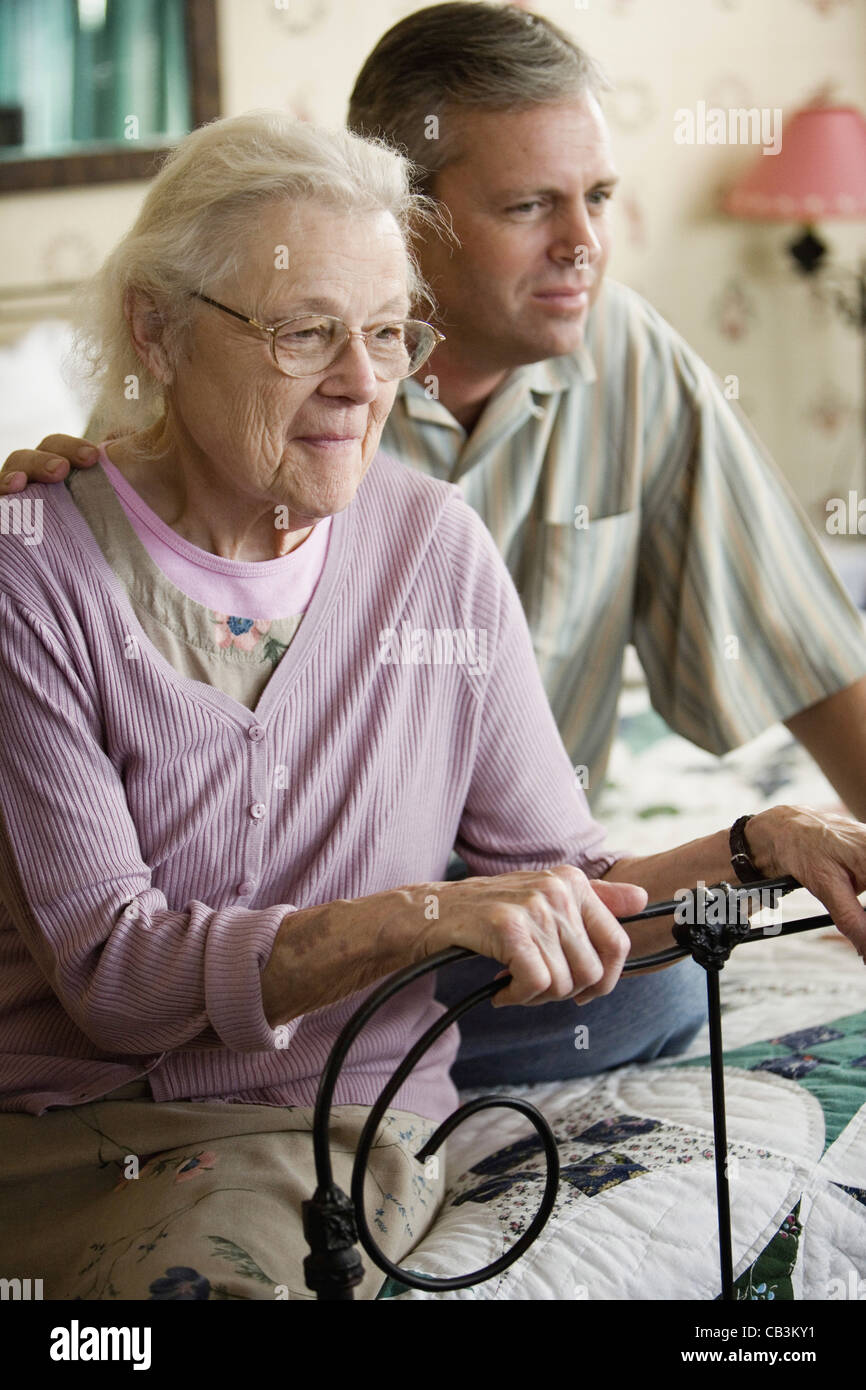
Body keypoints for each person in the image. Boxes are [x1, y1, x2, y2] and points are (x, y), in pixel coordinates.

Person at [4, 3, 866, 1091]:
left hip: (527, 866)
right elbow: (129, 555)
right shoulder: (235, 409)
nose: (584, 245)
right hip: (274, 909)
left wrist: (784, 845)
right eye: (527, 205)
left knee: (644, 967)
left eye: (597, 197)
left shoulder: (628, 367)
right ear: (411, 222)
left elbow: (804, 641)